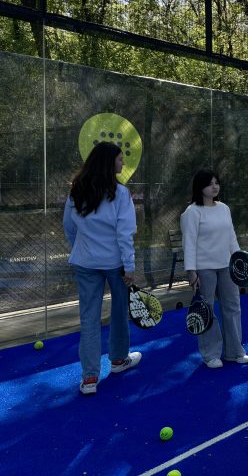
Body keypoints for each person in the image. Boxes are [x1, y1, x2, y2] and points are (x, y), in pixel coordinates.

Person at [63, 141, 142, 395]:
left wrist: (81, 249)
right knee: (119, 312)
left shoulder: (76, 190)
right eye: (120, 159)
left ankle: (89, 379)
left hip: (85, 263)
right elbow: (125, 232)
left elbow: (69, 227)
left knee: (89, 320)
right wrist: (129, 266)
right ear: (109, 163)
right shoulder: (121, 193)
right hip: (115, 264)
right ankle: (118, 360)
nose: (123, 163)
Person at [180, 170, 248, 369]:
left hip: (227, 266)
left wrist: (239, 259)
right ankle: (210, 354)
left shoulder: (224, 208)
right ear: (200, 187)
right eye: (210, 183)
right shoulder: (192, 212)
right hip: (204, 270)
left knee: (233, 307)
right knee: (206, 311)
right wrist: (191, 271)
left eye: (216, 183)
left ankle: (235, 352)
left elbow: (231, 237)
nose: (215, 186)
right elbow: (189, 243)